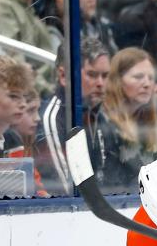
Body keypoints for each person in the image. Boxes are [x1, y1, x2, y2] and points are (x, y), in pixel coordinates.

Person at [37, 38, 112, 196]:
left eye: (105, 76)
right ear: (64, 76)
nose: (100, 83)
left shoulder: (98, 116)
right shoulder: (51, 120)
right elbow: (64, 194)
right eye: (92, 75)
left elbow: (110, 180)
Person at [102, 48, 157, 193]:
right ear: (117, 81)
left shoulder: (148, 124)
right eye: (138, 77)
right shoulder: (102, 124)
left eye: (151, 78)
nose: (147, 84)